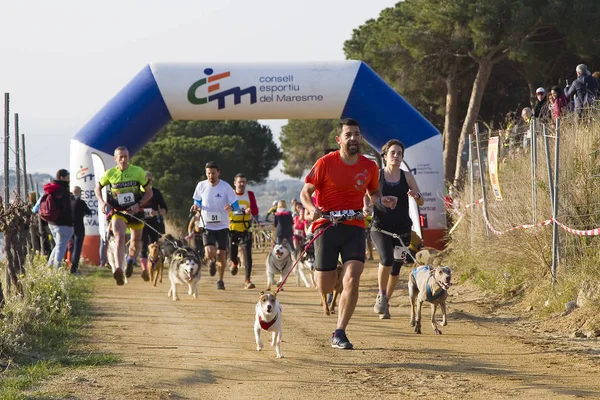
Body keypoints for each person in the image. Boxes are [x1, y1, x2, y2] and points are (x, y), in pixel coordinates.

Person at [300, 118, 397, 349]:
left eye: (356, 134)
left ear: (360, 138)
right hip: (326, 226)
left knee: (352, 278)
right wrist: (312, 209)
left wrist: (382, 200)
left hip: (354, 226)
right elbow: (305, 192)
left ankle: (340, 331)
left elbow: (374, 193)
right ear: (339, 139)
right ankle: (328, 287)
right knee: (324, 285)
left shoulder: (369, 166)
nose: (353, 138)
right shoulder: (325, 163)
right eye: (348, 135)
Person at [370, 139, 424, 320]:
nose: (396, 156)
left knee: (395, 268)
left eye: (399, 153)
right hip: (380, 227)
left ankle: (386, 301)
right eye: (393, 153)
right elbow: (367, 196)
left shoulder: (406, 176)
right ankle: (380, 294)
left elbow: (421, 200)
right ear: (385, 156)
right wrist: (366, 207)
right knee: (386, 259)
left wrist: (415, 195)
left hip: (402, 229)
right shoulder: (376, 175)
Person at [95, 146, 153, 286]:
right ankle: (119, 269)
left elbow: (149, 193)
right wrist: (102, 202)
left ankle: (130, 260)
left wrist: (138, 204)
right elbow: (98, 188)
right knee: (119, 237)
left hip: (135, 210)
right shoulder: (110, 174)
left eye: (126, 156)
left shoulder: (137, 171)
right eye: (120, 157)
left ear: (129, 157)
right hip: (118, 210)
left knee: (135, 242)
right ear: (115, 159)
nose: (123, 159)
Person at [191, 161, 240, 290]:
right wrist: (196, 206)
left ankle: (220, 280)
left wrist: (231, 207)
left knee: (222, 255)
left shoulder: (225, 187)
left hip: (223, 226)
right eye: (208, 173)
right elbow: (197, 200)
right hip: (207, 225)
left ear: (218, 173)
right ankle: (211, 261)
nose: (211, 176)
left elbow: (236, 205)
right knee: (209, 252)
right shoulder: (201, 186)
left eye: (213, 173)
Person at [229, 173, 259, 289]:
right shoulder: (229, 194)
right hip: (232, 228)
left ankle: (247, 280)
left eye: (244, 182)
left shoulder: (249, 194)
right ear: (235, 183)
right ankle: (234, 262)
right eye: (239, 182)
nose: (241, 184)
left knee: (247, 255)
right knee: (232, 252)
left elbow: (255, 210)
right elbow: (223, 208)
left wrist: (250, 210)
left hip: (246, 228)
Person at [139, 172, 168, 282]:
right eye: (145, 180)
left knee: (155, 245)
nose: (148, 182)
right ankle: (145, 270)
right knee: (143, 246)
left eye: (149, 180)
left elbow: (165, 208)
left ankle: (157, 266)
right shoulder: (137, 192)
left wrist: (157, 212)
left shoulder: (156, 192)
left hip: (154, 223)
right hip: (141, 222)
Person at [43, 169, 74, 268]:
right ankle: (57, 269)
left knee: (58, 246)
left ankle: (50, 266)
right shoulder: (63, 190)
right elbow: (66, 209)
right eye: (67, 177)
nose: (69, 179)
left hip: (51, 222)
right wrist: (70, 223)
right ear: (62, 177)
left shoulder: (52, 189)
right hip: (62, 224)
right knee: (61, 248)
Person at [69, 186, 92, 274]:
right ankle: (74, 269)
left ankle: (68, 264)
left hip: (70, 227)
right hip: (79, 227)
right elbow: (89, 212)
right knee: (77, 249)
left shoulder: (69, 202)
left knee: (70, 247)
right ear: (78, 192)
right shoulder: (81, 202)